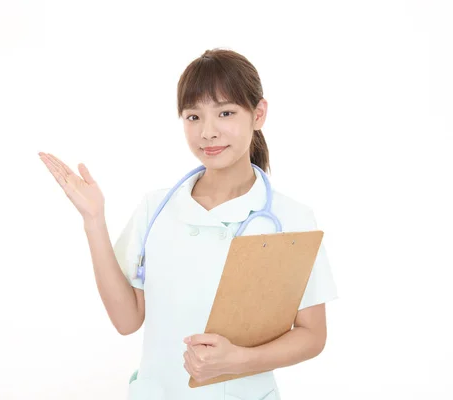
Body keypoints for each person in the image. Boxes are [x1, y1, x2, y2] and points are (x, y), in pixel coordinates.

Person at [38, 48, 338, 400]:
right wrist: (94, 220)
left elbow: (312, 335)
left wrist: (240, 360)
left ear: (258, 114)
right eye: (193, 117)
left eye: (225, 113)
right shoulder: (157, 207)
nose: (208, 132)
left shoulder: (292, 218)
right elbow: (126, 321)